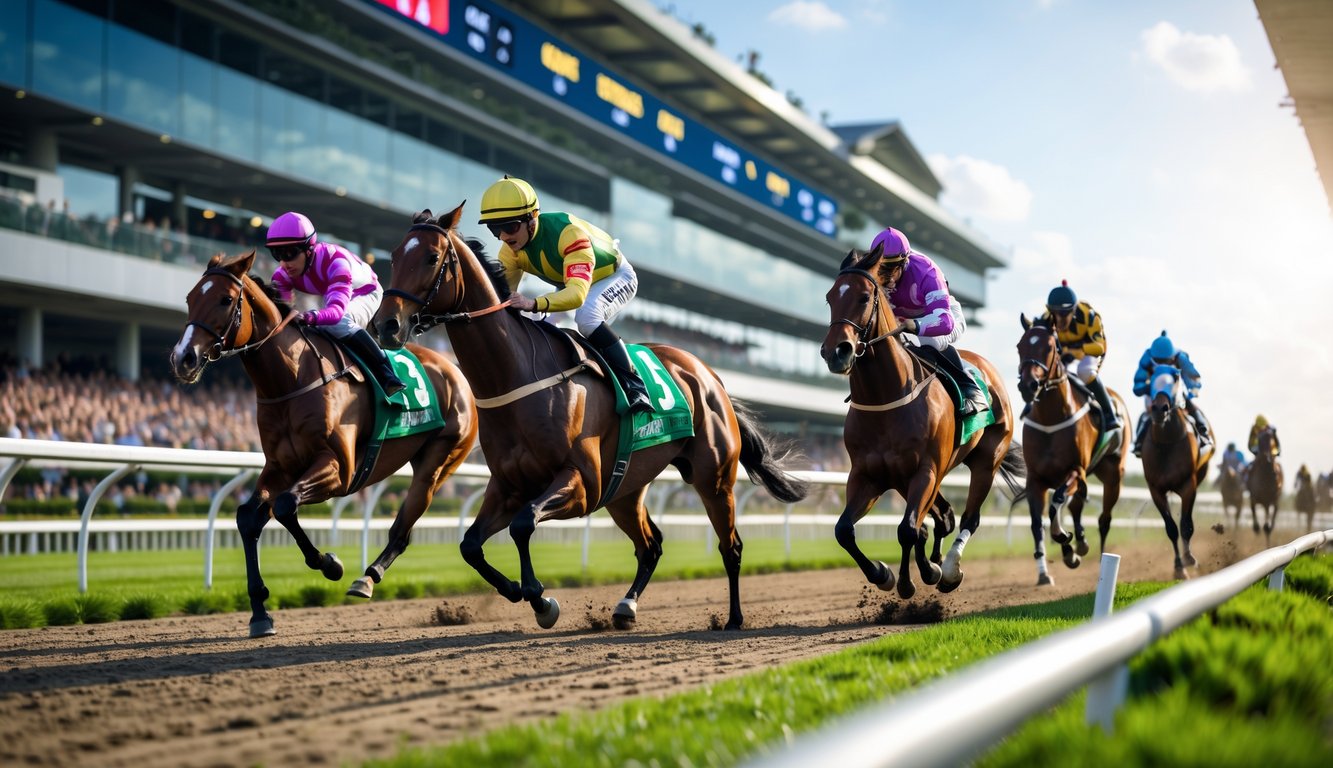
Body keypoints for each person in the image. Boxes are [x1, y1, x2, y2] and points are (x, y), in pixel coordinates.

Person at [477, 176, 653, 414]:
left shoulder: (568, 235)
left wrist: (532, 303)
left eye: (509, 226)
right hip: (569, 282)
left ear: (532, 219)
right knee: (544, 327)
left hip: (612, 277)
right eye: (494, 229)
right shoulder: (510, 252)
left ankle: (635, 386)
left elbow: (578, 295)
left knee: (587, 317)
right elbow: (502, 299)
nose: (504, 237)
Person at [265, 211, 405, 396]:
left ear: (308, 249)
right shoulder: (282, 275)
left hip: (365, 291)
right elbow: (283, 315)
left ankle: (386, 373)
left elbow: (336, 313)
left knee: (337, 323)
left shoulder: (335, 262)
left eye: (290, 253)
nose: (284, 263)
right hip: (334, 292)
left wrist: (309, 316)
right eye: (277, 254)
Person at [870, 226, 988, 415]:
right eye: (882, 269)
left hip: (942, 318)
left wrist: (914, 325)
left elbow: (944, 321)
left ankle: (970, 388)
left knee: (928, 341)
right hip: (900, 322)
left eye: (892, 269)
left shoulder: (927, 272)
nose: (887, 276)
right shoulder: (872, 271)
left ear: (904, 263)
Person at [1037, 280, 1121, 433]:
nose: (1059, 319)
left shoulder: (1090, 317)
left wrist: (1075, 352)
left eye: (1064, 314)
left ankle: (1110, 414)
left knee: (1085, 372)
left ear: (1073, 310)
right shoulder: (1046, 318)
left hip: (1089, 352)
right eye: (1055, 313)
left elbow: (1099, 347)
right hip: (1064, 353)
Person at [1130, 330, 1211, 456]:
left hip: (1175, 390)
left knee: (1191, 406)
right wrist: (1144, 388)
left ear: (1172, 357)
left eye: (1166, 361)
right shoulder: (1147, 357)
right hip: (1154, 392)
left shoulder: (1180, 357)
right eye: (1158, 360)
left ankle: (1203, 433)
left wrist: (1192, 392)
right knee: (1146, 414)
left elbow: (1192, 377)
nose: (1162, 364)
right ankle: (1138, 443)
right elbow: (1138, 382)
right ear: (1153, 356)